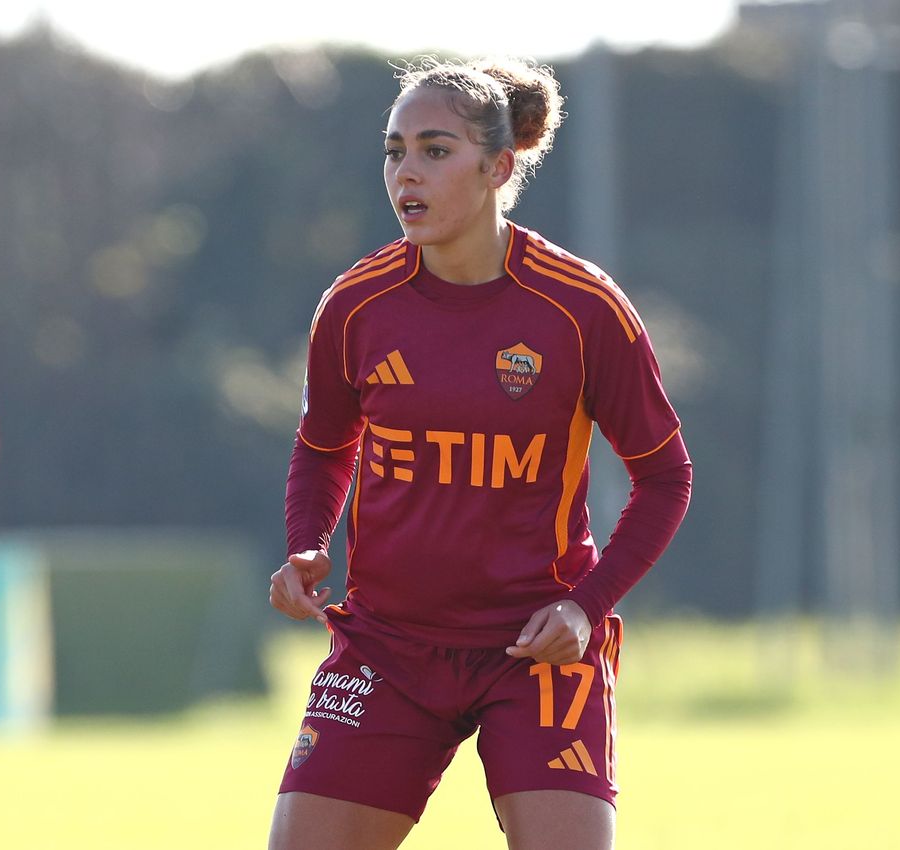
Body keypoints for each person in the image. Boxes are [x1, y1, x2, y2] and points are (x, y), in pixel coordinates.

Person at [267, 57, 692, 849]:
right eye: (394, 151)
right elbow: (323, 447)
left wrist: (584, 606)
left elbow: (664, 476)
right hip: (386, 647)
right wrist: (305, 542)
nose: (405, 174)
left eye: (435, 149)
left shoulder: (581, 308)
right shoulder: (355, 306)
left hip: (533, 649)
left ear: (499, 167)